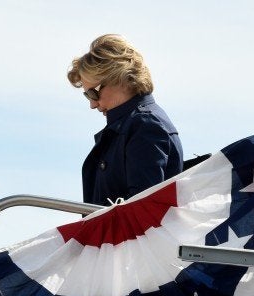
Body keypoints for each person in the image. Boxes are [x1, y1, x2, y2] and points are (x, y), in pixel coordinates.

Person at [67, 34, 184, 207]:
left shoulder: (146, 126)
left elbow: (142, 212)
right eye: (87, 95)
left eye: (93, 93)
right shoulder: (132, 126)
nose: (92, 104)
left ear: (120, 78)